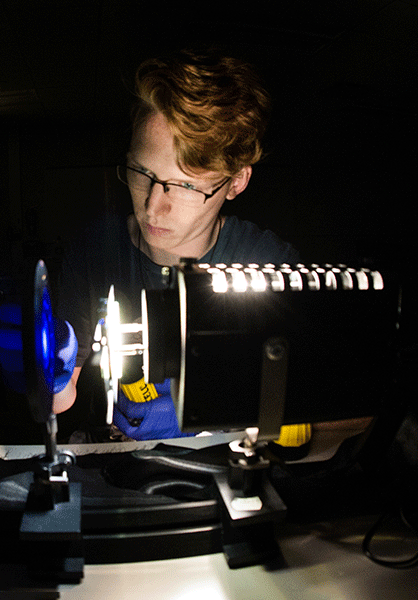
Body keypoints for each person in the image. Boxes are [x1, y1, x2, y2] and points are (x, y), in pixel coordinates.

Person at [52, 48, 300, 441]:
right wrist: (43, 367)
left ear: (236, 182)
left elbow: (310, 422)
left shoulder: (267, 265)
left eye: (185, 185)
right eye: (141, 172)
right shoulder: (95, 254)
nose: (153, 206)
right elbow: (59, 402)